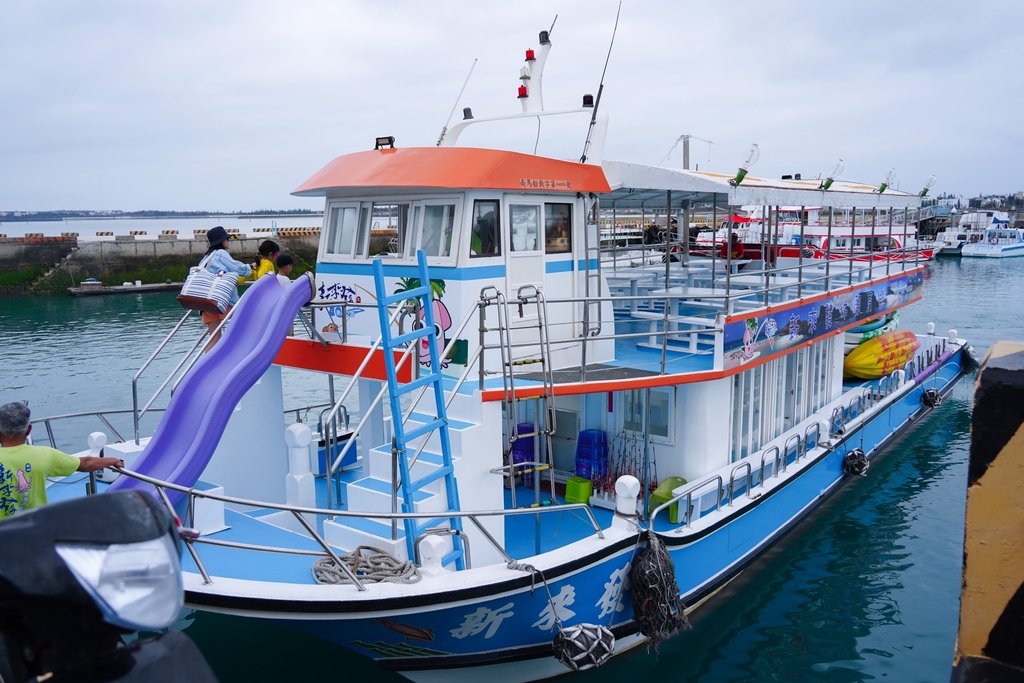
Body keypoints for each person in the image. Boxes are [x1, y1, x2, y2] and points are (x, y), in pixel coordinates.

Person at [0, 402, 124, 521]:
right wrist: (112, 460)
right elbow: (86, 463)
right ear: (29, 430)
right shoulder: (45, 455)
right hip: (35, 527)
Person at [200, 226, 252, 352]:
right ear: (222, 241)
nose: (229, 241)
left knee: (214, 339)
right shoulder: (221, 254)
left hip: (206, 302)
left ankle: (208, 366)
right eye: (227, 239)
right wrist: (250, 267)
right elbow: (238, 269)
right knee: (243, 329)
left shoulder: (206, 257)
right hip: (224, 301)